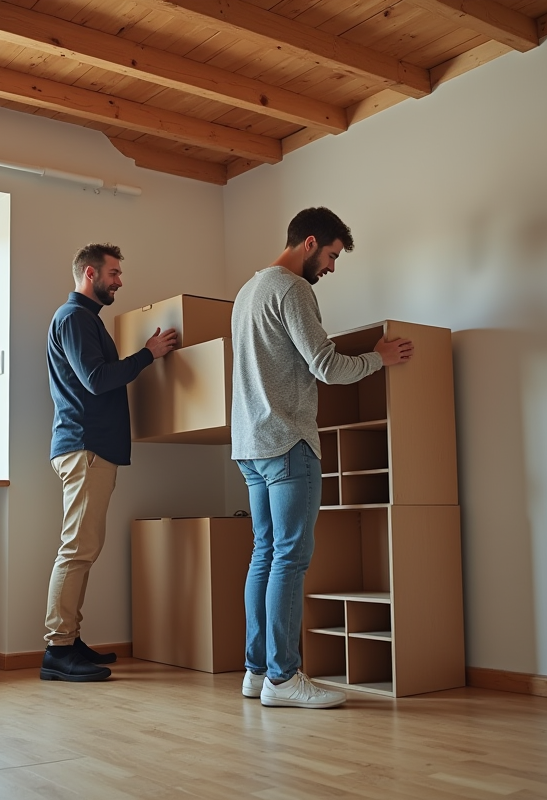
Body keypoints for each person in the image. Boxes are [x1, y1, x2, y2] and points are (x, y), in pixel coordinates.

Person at [232, 207, 414, 708]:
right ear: (309, 243)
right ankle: (284, 679)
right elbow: (327, 366)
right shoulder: (292, 289)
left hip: (250, 445)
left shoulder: (248, 291)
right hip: (288, 442)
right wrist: (381, 357)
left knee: (265, 555)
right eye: (332, 255)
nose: (332, 267)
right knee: (288, 558)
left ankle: (257, 672)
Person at [41, 243, 178, 682]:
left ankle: (69, 638)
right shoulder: (75, 318)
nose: (120, 280)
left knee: (83, 547)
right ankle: (58, 649)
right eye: (114, 273)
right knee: (78, 548)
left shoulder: (82, 320)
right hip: (86, 448)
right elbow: (97, 380)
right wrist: (148, 354)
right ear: (88, 273)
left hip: (89, 448)